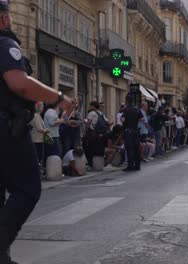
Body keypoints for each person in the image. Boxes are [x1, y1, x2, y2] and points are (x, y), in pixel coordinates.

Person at [0, 2, 73, 262]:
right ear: (4, 19)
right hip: (6, 129)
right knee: (27, 188)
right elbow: (18, 83)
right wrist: (58, 97)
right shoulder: (4, 44)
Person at [83, 101, 110, 168]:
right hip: (100, 135)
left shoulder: (91, 113)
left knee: (88, 148)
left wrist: (85, 125)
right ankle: (98, 163)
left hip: (92, 133)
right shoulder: (101, 113)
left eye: (90, 105)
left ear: (93, 106)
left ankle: (90, 163)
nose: (90, 107)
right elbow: (108, 123)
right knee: (97, 148)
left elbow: (88, 123)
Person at [121, 95, 143, 171]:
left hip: (129, 131)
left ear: (127, 100)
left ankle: (130, 165)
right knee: (136, 148)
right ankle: (137, 165)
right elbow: (141, 119)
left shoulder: (126, 109)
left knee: (130, 148)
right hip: (136, 131)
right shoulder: (137, 109)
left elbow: (123, 120)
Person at [30, 102, 48, 166]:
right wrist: (46, 130)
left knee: (39, 156)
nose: (43, 108)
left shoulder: (38, 115)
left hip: (39, 139)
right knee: (38, 156)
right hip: (37, 139)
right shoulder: (36, 116)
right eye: (42, 107)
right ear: (38, 107)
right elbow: (39, 128)